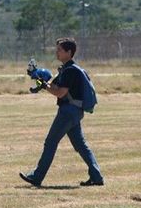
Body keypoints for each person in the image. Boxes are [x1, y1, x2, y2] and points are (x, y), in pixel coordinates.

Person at [19, 38, 104, 187]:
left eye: (59, 50)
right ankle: (96, 177)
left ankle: (37, 177)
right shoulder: (66, 69)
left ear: (69, 52)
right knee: (81, 145)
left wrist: (44, 85)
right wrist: (38, 76)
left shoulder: (70, 71)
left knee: (51, 142)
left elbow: (60, 92)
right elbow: (52, 84)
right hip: (74, 112)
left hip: (68, 112)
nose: (56, 52)